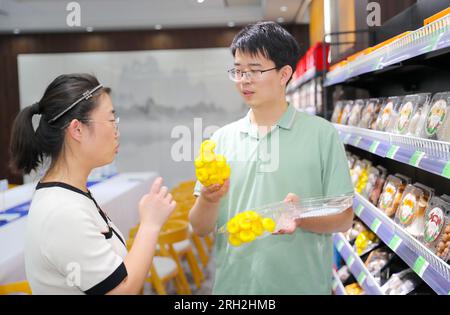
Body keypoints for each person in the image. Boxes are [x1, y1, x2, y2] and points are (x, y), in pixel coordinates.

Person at [189, 22, 354, 294]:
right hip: (235, 288)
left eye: (254, 70)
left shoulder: (322, 135)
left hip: (304, 287)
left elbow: (344, 218)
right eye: (238, 70)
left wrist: (300, 217)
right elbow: (199, 227)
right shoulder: (220, 140)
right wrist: (208, 199)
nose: (244, 79)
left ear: (284, 74)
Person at [10, 73, 176, 294]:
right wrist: (150, 224)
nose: (117, 132)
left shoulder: (71, 195)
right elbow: (121, 290)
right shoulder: (62, 212)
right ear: (77, 130)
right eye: (110, 120)